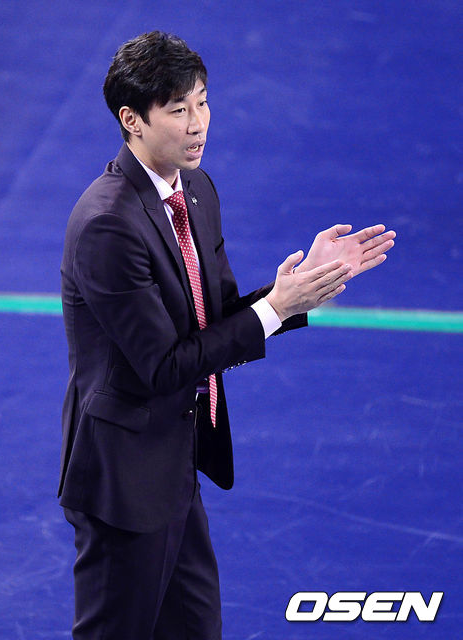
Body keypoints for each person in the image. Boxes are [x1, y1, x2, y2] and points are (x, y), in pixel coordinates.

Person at [58, 31, 395, 639]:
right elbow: (164, 365)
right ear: (131, 120)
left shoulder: (197, 191)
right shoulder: (108, 225)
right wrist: (277, 308)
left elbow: (211, 320)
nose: (198, 124)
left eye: (203, 102)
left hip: (174, 461)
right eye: (177, 109)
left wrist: (297, 291)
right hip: (124, 478)